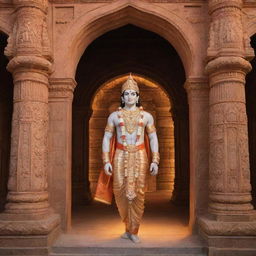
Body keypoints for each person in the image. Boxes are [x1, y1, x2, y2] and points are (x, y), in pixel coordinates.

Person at [101, 74, 160, 243]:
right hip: (120, 155)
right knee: (120, 192)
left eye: (133, 93)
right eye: (126, 93)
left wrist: (155, 160)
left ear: (138, 96)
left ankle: (134, 230)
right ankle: (127, 228)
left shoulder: (147, 116)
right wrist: (106, 161)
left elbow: (154, 138)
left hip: (140, 155)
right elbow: (106, 138)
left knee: (138, 193)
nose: (129, 96)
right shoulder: (114, 116)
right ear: (122, 97)